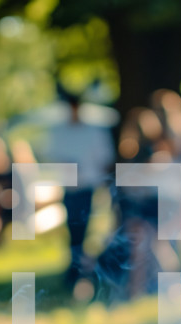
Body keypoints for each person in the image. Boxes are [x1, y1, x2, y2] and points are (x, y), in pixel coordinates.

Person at [40, 94, 115, 289]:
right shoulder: (58, 132)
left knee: (84, 229)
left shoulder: (94, 132)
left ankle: (83, 269)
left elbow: (105, 160)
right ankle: (75, 269)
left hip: (87, 187)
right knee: (72, 231)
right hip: (69, 187)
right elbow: (51, 158)